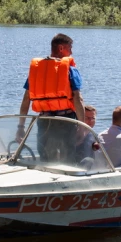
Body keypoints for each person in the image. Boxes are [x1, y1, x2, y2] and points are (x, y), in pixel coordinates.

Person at [17, 33, 85, 162]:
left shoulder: (37, 70)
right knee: (68, 159)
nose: (71, 51)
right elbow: (78, 99)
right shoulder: (70, 70)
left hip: (44, 120)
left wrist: (21, 127)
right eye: (70, 47)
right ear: (61, 48)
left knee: (46, 158)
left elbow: (26, 99)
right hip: (66, 121)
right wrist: (81, 128)